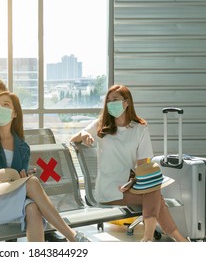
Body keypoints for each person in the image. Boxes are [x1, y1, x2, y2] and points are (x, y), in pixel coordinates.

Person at [0, 91, 89, 242]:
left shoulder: (23, 147)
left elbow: (16, 181)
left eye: (6, 104)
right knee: (32, 183)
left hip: (9, 198)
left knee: (32, 208)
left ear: (14, 114)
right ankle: (72, 236)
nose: (0, 108)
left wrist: (22, 178)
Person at [70, 84, 188, 242]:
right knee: (154, 193)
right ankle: (173, 240)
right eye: (109, 100)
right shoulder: (100, 125)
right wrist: (84, 134)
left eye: (116, 100)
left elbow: (143, 167)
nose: (111, 103)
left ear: (126, 103)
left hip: (131, 185)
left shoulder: (140, 129)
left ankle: (151, 239)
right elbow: (73, 139)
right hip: (108, 188)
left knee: (152, 189)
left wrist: (132, 182)